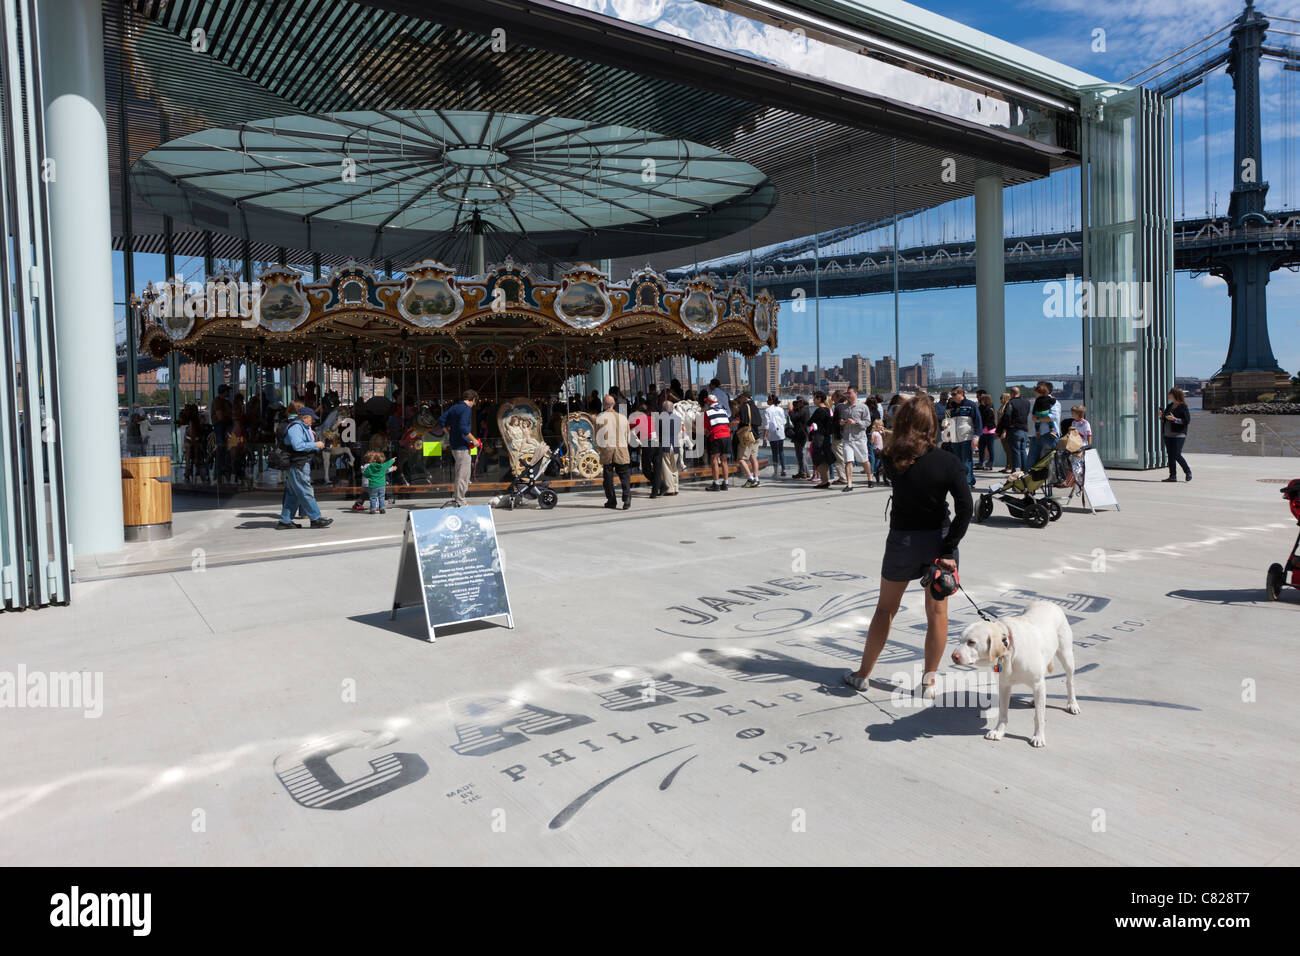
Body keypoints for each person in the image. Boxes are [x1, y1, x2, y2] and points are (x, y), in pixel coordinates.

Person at [845, 395, 972, 697]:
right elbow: (966, 508)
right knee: (937, 613)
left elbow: (897, 452)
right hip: (938, 541)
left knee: (886, 609)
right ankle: (929, 680)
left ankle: (863, 674)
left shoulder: (892, 458)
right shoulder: (949, 462)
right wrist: (948, 549)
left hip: (902, 539)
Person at [277, 402, 332, 529]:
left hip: (298, 464)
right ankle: (315, 518)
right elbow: (298, 446)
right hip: (298, 464)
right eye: (311, 418)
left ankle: (285, 521)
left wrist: (320, 445)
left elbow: (302, 445)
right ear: (304, 417)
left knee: (293, 494)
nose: (313, 421)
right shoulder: (296, 427)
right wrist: (315, 445)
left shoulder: (302, 427)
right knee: (306, 491)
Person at [437, 389, 479, 507]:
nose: (474, 405)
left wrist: (449, 433)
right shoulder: (466, 409)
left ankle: (458, 498)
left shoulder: (455, 407)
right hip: (462, 445)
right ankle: (460, 500)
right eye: (475, 402)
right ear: (473, 399)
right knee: (463, 475)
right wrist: (474, 439)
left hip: (454, 444)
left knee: (459, 472)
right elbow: (464, 428)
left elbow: (441, 420)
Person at [596, 394, 632, 509]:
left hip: (608, 451)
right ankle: (626, 498)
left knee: (608, 479)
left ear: (603, 405)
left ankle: (611, 501)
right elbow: (628, 437)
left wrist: (600, 448)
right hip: (622, 450)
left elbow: (597, 438)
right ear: (614, 404)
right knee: (625, 477)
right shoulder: (623, 418)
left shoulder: (600, 418)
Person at [839, 387, 873, 491]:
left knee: (864, 460)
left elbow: (868, 422)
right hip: (847, 438)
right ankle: (849, 484)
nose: (848, 395)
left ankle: (870, 478)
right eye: (847, 393)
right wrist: (841, 422)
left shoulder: (863, 407)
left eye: (849, 393)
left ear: (856, 393)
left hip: (859, 438)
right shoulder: (844, 408)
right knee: (848, 461)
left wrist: (856, 422)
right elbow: (841, 420)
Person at [947, 385, 979, 488]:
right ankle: (970, 480)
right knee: (958, 462)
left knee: (966, 462)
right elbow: (947, 421)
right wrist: (947, 432)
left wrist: (976, 437)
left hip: (967, 437)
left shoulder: (971, 405)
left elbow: (978, 421)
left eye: (954, 394)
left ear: (962, 393)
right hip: (954, 438)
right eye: (951, 394)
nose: (952, 396)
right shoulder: (951, 406)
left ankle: (967, 484)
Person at [1161, 387, 1192, 483]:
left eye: (1170, 393)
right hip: (1167, 434)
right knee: (1170, 455)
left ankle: (1188, 471)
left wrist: (1175, 419)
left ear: (1175, 394)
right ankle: (1172, 476)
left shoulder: (1183, 407)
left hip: (1179, 435)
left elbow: (1187, 421)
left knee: (1176, 454)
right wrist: (1161, 416)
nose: (1168, 394)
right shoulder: (1170, 405)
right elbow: (1165, 419)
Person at [997, 384, 1031, 472]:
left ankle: (1016, 471)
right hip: (1024, 429)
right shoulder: (1027, 402)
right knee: (1023, 451)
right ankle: (1025, 470)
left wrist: (1006, 427)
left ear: (1011, 394)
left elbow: (1007, 416)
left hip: (1014, 430)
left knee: (1015, 452)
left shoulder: (1011, 403)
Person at [703, 394, 731, 491]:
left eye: (707, 401)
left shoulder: (708, 413)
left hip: (716, 437)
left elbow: (706, 430)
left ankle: (716, 484)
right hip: (727, 437)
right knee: (724, 460)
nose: (706, 403)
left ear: (710, 402)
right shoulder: (723, 411)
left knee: (714, 459)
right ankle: (726, 483)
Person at [734, 392, 762, 487]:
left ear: (745, 398)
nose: (740, 400)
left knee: (741, 459)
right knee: (753, 458)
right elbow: (759, 422)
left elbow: (737, 421)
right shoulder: (755, 407)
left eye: (741, 398)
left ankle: (750, 478)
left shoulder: (744, 407)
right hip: (756, 436)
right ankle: (756, 478)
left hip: (747, 437)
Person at [808, 391, 833, 489]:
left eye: (814, 398)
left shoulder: (819, 411)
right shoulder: (828, 410)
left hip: (819, 437)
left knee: (818, 458)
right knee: (825, 458)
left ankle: (824, 481)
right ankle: (825, 480)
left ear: (819, 399)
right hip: (826, 437)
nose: (813, 400)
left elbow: (809, 422)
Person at [360, 449, 397, 514]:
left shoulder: (370, 467)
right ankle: (382, 508)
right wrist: (393, 460)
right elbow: (388, 463)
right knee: (382, 497)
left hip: (373, 485)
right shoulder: (383, 466)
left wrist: (370, 476)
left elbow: (365, 474)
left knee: (373, 497)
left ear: (374, 460)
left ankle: (373, 509)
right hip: (382, 485)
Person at [659, 398, 682, 495]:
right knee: (674, 467)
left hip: (666, 445)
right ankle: (676, 488)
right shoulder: (678, 418)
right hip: (676, 445)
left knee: (667, 468)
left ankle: (669, 489)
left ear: (663, 408)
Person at [763, 394, 788, 478]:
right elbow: (784, 421)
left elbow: (766, 424)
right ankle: (784, 469)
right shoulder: (781, 409)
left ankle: (775, 471)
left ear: (771, 401)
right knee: (781, 451)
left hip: (772, 432)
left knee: (774, 452)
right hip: (780, 431)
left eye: (768, 400)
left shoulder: (767, 410)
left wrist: (764, 437)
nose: (766, 401)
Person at [789, 397, 810, 479]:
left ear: (802, 402)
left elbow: (793, 418)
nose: (797, 403)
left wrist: (791, 410)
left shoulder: (804, 409)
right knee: (800, 454)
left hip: (801, 434)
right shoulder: (804, 409)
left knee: (801, 454)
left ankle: (803, 472)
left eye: (798, 402)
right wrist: (795, 409)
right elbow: (796, 420)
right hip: (801, 434)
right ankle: (804, 471)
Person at [977, 392, 998, 470]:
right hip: (984, 431)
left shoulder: (989, 408)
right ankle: (981, 463)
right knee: (981, 448)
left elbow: (986, 420)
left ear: (985, 400)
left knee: (990, 448)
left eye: (981, 399)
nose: (980, 400)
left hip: (989, 430)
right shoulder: (981, 407)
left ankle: (990, 463)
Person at [994, 391, 1013, 473]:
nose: (1000, 399)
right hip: (1001, 430)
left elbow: (1006, 420)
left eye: (1001, 398)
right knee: (1006, 450)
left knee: (1008, 450)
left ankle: (1010, 466)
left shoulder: (1007, 407)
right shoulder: (1002, 407)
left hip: (1006, 431)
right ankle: (1008, 466)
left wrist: (1004, 431)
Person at [870, 419, 886, 485]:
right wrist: (872, 437)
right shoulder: (874, 433)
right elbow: (871, 441)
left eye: (880, 425)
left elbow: (885, 436)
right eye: (878, 425)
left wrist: (883, 431)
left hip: (882, 449)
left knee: (882, 463)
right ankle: (876, 473)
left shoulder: (881, 432)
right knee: (878, 462)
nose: (879, 426)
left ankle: (879, 473)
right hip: (877, 449)